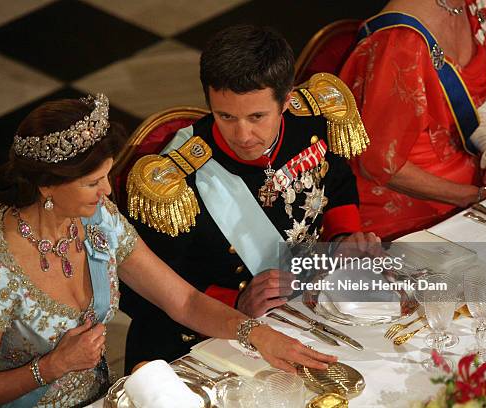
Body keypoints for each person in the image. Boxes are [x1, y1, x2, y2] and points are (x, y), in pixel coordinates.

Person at [0, 95, 337, 407]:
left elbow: (182, 300)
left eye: (106, 176)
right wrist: (52, 366)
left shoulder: (97, 220)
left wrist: (256, 334)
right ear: (46, 186)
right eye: (91, 182)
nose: (107, 192)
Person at [121, 25, 380, 374]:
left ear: (286, 100)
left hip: (305, 308)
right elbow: (139, 290)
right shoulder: (173, 184)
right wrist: (236, 301)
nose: (242, 135)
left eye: (257, 116)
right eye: (225, 116)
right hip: (200, 340)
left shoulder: (313, 119)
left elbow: (337, 183)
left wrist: (345, 238)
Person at [338, 0, 486, 239]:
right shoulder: (400, 41)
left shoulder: (469, 5)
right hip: (406, 209)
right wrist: (473, 197)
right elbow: (375, 162)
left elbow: (472, 98)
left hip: (471, 178)